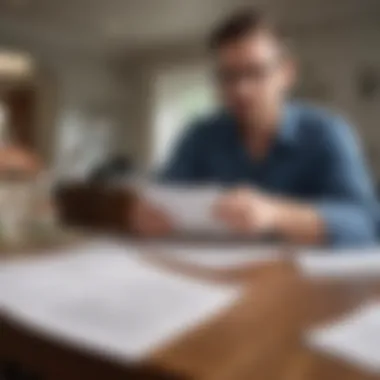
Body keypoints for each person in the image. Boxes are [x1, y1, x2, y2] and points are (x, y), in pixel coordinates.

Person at [132, 8, 379, 247]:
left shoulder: (328, 133)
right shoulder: (199, 135)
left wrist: (277, 215)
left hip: (299, 283)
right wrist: (145, 215)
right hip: (212, 277)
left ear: (286, 73)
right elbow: (161, 199)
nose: (241, 90)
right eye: (228, 76)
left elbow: (367, 223)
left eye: (256, 72)